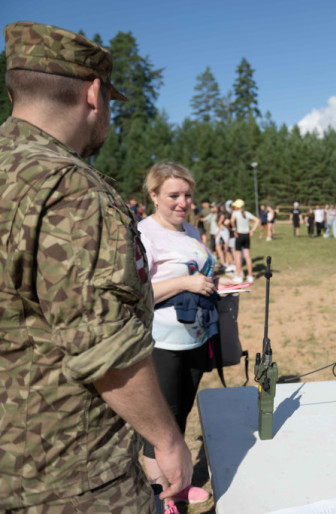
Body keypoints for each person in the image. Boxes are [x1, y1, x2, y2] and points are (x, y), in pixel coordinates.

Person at [0, 21, 192, 512]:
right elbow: (106, 347)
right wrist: (166, 442)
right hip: (69, 476)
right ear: (93, 94)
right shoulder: (70, 189)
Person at [139, 162, 237, 508]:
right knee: (159, 423)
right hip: (162, 343)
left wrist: (217, 284)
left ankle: (176, 484)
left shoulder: (192, 232)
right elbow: (137, 291)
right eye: (173, 195)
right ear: (153, 196)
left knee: (180, 415)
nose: (183, 202)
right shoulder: (144, 234)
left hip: (196, 336)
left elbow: (201, 273)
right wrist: (184, 282)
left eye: (188, 195)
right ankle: (159, 494)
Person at [230, 199, 258, 283]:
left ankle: (239, 276)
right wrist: (252, 230)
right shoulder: (247, 213)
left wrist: (234, 229)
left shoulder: (235, 213)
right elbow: (257, 220)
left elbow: (232, 221)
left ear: (237, 206)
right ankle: (250, 276)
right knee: (247, 256)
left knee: (238, 257)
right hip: (246, 236)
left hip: (239, 235)